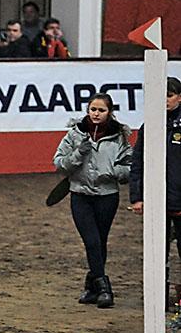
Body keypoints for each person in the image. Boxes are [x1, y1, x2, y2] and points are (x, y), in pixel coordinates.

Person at [53, 93, 132, 308]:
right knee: (92, 241)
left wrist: (113, 172)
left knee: (100, 241)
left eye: (101, 110)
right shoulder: (74, 134)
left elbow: (129, 167)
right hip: (80, 195)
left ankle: (91, 286)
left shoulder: (119, 137)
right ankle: (104, 287)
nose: (96, 114)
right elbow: (59, 163)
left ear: (110, 112)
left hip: (107, 196)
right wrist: (78, 154)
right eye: (93, 109)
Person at [130, 77, 181, 309]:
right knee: (157, 252)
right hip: (156, 201)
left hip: (178, 199)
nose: (165, 100)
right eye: (161, 95)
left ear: (179, 97)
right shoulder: (149, 126)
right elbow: (138, 162)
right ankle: (158, 296)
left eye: (169, 95)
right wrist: (137, 196)